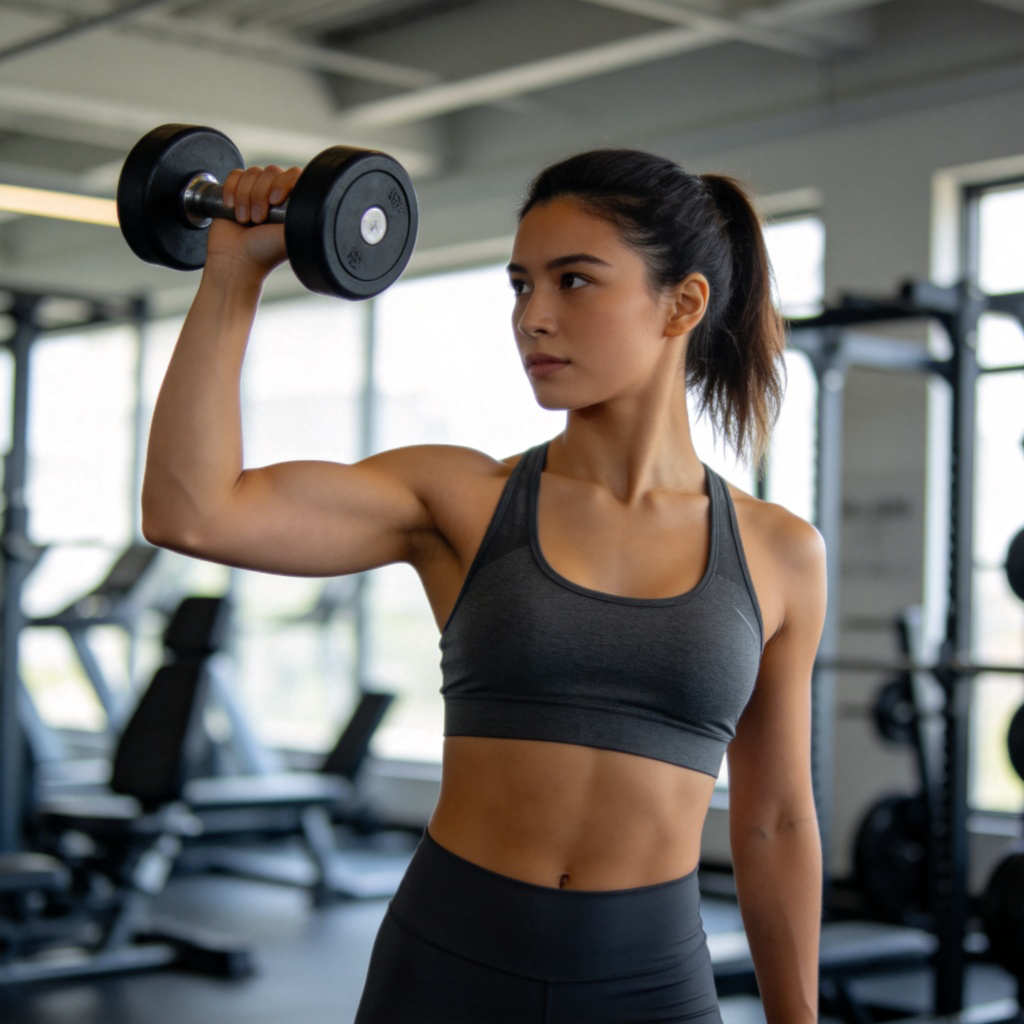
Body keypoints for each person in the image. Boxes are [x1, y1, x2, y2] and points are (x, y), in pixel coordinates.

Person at [142, 147, 826, 1024]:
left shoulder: (779, 554)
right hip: (450, 964)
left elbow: (774, 821)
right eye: (519, 285)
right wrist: (233, 271)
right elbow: (191, 512)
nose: (533, 318)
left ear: (682, 303)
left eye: (574, 281)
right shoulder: (461, 501)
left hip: (648, 985)